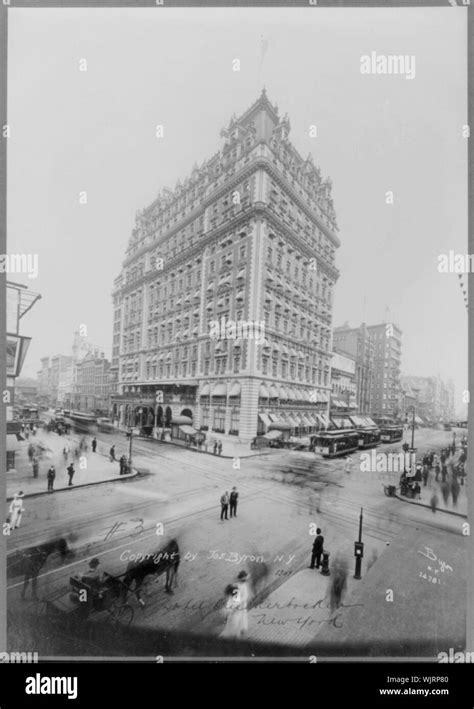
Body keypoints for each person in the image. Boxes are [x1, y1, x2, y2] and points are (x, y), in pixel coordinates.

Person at [233, 570, 250, 638]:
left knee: (242, 617)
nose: (245, 581)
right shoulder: (237, 586)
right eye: (245, 579)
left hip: (242, 605)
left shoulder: (241, 585)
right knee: (239, 618)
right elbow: (236, 598)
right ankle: (238, 632)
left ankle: (241, 629)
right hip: (239, 605)